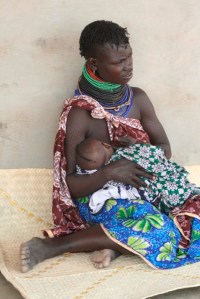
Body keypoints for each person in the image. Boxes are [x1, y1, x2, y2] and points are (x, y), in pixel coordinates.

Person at [20, 20, 200, 273]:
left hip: (147, 187)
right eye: (118, 62)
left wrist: (140, 148)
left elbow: (164, 147)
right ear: (94, 64)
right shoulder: (79, 114)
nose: (128, 67)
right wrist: (109, 173)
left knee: (195, 207)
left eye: (129, 57)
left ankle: (115, 244)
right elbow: (68, 184)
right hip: (102, 198)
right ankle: (53, 246)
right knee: (159, 229)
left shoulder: (138, 99)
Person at [75, 137, 198, 215]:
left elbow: (113, 191)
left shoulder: (117, 170)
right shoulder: (125, 158)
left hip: (165, 197)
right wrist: (137, 143)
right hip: (177, 183)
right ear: (106, 145)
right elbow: (157, 152)